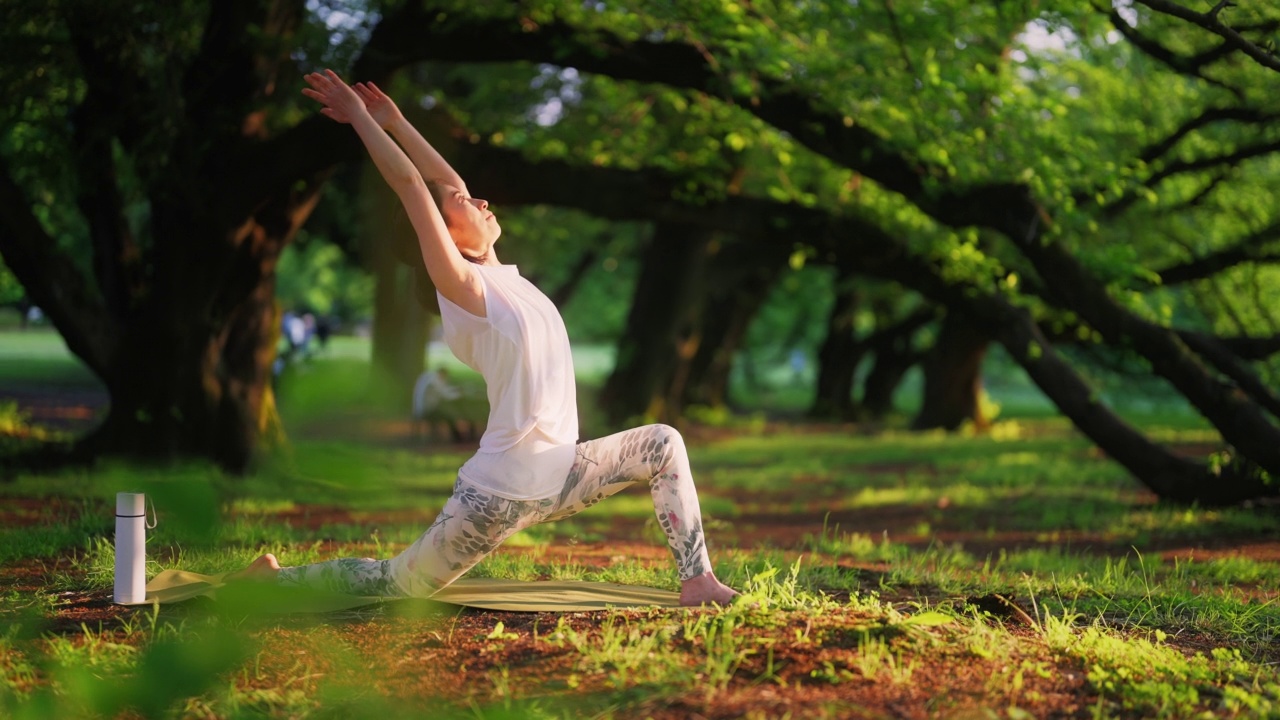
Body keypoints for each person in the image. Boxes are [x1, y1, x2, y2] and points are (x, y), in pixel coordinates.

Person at [237, 69, 738, 606]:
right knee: (398, 585)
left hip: (564, 472)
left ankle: (698, 580)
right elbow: (412, 187)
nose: (479, 202)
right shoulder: (464, 286)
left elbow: (447, 183)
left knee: (663, 443)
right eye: (464, 207)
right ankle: (273, 579)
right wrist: (359, 120)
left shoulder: (501, 275)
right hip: (499, 492)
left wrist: (398, 120)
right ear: (446, 237)